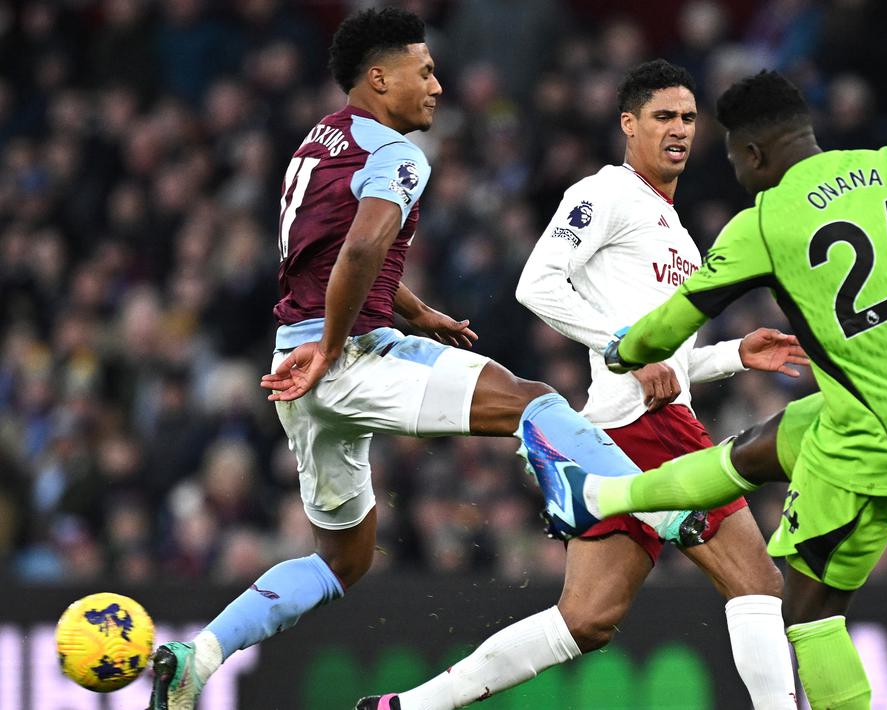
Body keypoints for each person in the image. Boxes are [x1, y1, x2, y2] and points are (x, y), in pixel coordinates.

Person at [145, 10, 728, 709]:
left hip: (295, 369)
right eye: (423, 72)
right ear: (379, 77)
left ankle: (196, 657)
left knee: (343, 561)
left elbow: (336, 249)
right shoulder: (400, 156)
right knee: (533, 401)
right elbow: (361, 247)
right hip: (345, 356)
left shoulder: (320, 137)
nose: (437, 86)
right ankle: (652, 511)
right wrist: (335, 346)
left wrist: (410, 308)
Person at [531, 70, 887, 710]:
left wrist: (623, 350)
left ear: (752, 154)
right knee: (755, 450)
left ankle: (600, 493)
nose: (730, 171)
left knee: (805, 611)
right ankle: (600, 493)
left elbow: (672, 322)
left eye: (728, 156)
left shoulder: (767, 221)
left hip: (873, 440)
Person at [367, 60, 806, 710]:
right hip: (646, 428)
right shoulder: (605, 194)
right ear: (628, 124)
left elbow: (668, 364)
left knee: (586, 619)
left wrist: (732, 356)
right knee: (758, 585)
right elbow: (536, 284)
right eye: (663, 116)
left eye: (688, 117)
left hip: (621, 424)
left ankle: (408, 707)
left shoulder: (677, 233)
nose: (679, 129)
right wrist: (623, 350)